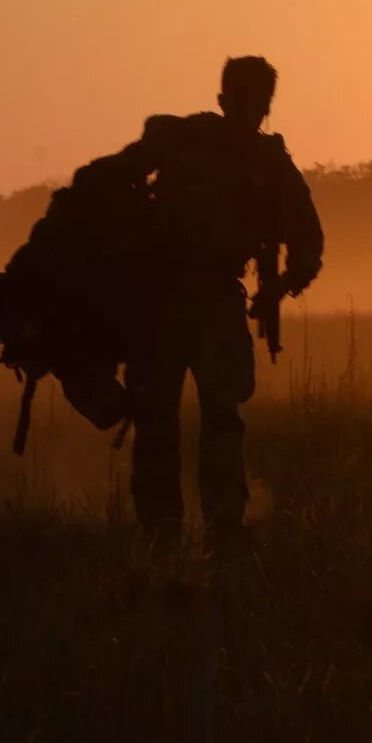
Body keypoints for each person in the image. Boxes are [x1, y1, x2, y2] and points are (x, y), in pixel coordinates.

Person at [111, 54, 322, 546]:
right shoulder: (236, 154)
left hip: (184, 306)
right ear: (230, 100)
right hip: (175, 303)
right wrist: (278, 286)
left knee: (195, 421)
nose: (253, 113)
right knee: (184, 420)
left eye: (258, 105)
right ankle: (197, 531)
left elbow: (307, 241)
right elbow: (308, 242)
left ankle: (193, 531)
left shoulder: (197, 145)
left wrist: (276, 286)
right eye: (251, 103)